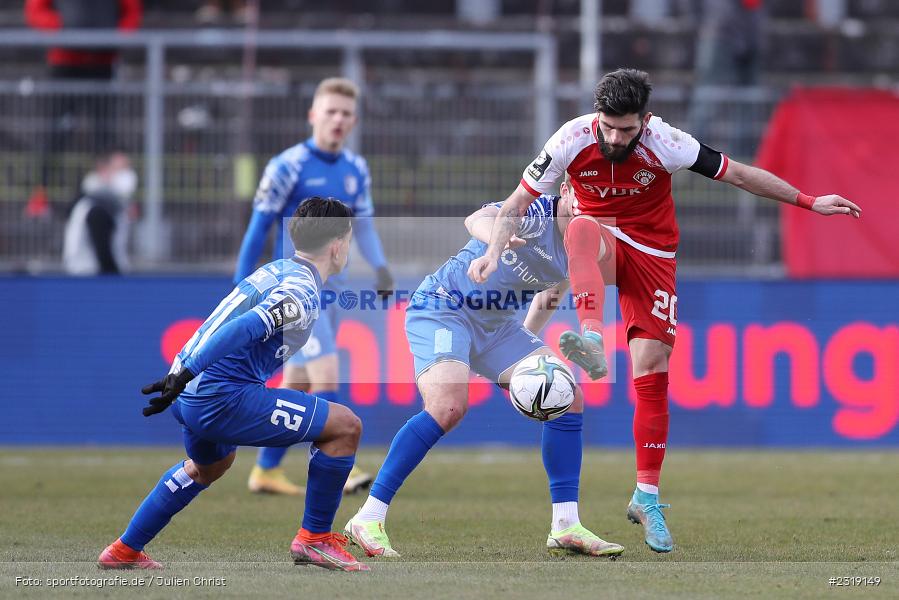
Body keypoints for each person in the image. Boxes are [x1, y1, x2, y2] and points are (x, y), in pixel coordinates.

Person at [468, 68, 861, 553]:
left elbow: (737, 173)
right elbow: (514, 203)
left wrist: (808, 200)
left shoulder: (667, 142)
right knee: (580, 232)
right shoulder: (569, 139)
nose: (615, 138)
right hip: (603, 240)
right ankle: (592, 337)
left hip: (654, 255)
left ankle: (646, 497)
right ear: (597, 117)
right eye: (608, 127)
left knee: (652, 367)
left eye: (627, 130)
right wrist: (491, 253)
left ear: (645, 121)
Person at [342, 179, 624, 559]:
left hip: (498, 328)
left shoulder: (582, 240)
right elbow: (478, 217)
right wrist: (497, 240)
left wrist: (523, 355)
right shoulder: (534, 212)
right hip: (444, 308)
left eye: (600, 200)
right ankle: (368, 517)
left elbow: (552, 293)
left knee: (567, 394)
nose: (590, 206)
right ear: (568, 190)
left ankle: (566, 525)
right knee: (448, 407)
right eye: (584, 196)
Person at [97, 198, 369, 572]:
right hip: (217, 394)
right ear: (338, 244)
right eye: (350, 239)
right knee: (345, 427)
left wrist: (184, 373)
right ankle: (316, 539)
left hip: (190, 391)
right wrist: (189, 370)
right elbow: (247, 327)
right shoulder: (302, 293)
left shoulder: (277, 270)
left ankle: (125, 549)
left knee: (211, 464)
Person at [234, 78, 393, 496]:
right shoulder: (287, 166)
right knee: (326, 374)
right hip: (299, 291)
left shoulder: (356, 169)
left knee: (299, 382)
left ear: (354, 120)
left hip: (333, 290)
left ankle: (265, 471)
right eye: (330, 112)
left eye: (345, 114)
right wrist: (240, 284)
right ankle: (336, 465)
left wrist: (380, 269)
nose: (338, 120)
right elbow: (259, 227)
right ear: (313, 116)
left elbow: (366, 228)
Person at [24, 0, 142, 212]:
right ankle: (41, 194)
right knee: (56, 132)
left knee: (105, 133)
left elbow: (131, 11)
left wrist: (115, 36)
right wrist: (64, 31)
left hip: (102, 62)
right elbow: (36, 9)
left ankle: (116, 194)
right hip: (65, 62)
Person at [62, 152, 137, 275]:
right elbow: (103, 252)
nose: (127, 175)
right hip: (90, 276)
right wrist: (114, 276)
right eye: (120, 169)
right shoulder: (98, 206)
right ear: (104, 171)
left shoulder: (110, 203)